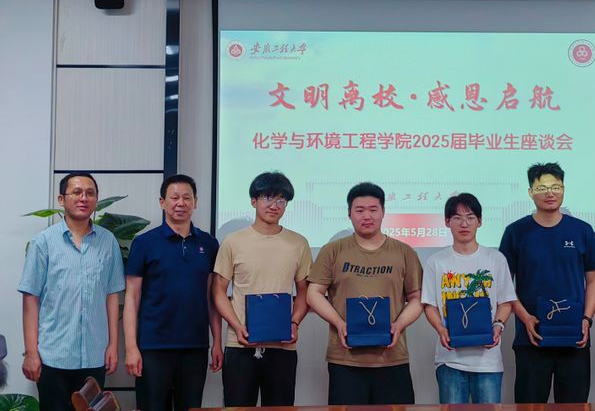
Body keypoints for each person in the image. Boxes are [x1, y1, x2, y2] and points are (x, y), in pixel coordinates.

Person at [306, 182, 423, 405]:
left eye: (373, 209)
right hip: (345, 358)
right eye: (359, 210)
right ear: (349, 213)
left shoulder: (404, 252)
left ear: (383, 212)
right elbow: (314, 293)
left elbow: (416, 299)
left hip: (392, 358)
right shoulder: (333, 251)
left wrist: (398, 325)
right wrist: (339, 323)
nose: (367, 216)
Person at [18, 172, 125, 411]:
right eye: (76, 192)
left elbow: (112, 296)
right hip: (53, 356)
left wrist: (113, 345)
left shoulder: (108, 241)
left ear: (96, 199)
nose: (83, 198)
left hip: (95, 356)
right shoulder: (43, 243)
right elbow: (30, 299)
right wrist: (31, 352)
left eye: (90, 193)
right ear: (61, 199)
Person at [499, 162, 595, 403]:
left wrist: (586, 320)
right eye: (542, 188)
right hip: (532, 337)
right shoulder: (516, 232)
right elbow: (505, 285)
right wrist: (525, 318)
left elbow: (593, 281)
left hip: (574, 337)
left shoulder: (582, 230)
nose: (550, 193)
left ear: (563, 189)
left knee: (574, 407)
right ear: (530, 192)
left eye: (556, 187)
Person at [212, 171, 312, 407]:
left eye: (281, 200)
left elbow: (304, 292)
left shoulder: (298, 243)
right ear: (253, 201)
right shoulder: (233, 241)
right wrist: (237, 327)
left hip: (282, 345)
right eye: (268, 197)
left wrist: (294, 323)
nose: (274, 205)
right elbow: (218, 292)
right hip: (240, 344)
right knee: (237, 407)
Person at [123, 174, 222, 411]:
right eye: (174, 197)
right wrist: (131, 347)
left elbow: (212, 298)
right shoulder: (144, 243)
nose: (181, 203)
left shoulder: (209, 244)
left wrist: (217, 342)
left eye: (187, 198)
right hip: (153, 347)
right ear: (162, 202)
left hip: (195, 347)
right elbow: (132, 298)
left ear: (195, 202)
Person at [421, 192, 516, 403]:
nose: (464, 223)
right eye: (457, 218)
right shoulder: (436, 262)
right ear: (447, 222)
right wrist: (441, 330)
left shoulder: (496, 259)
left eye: (470, 217)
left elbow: (505, 302)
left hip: (488, 362)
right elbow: (430, 305)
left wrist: (498, 326)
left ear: (479, 221)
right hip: (450, 360)